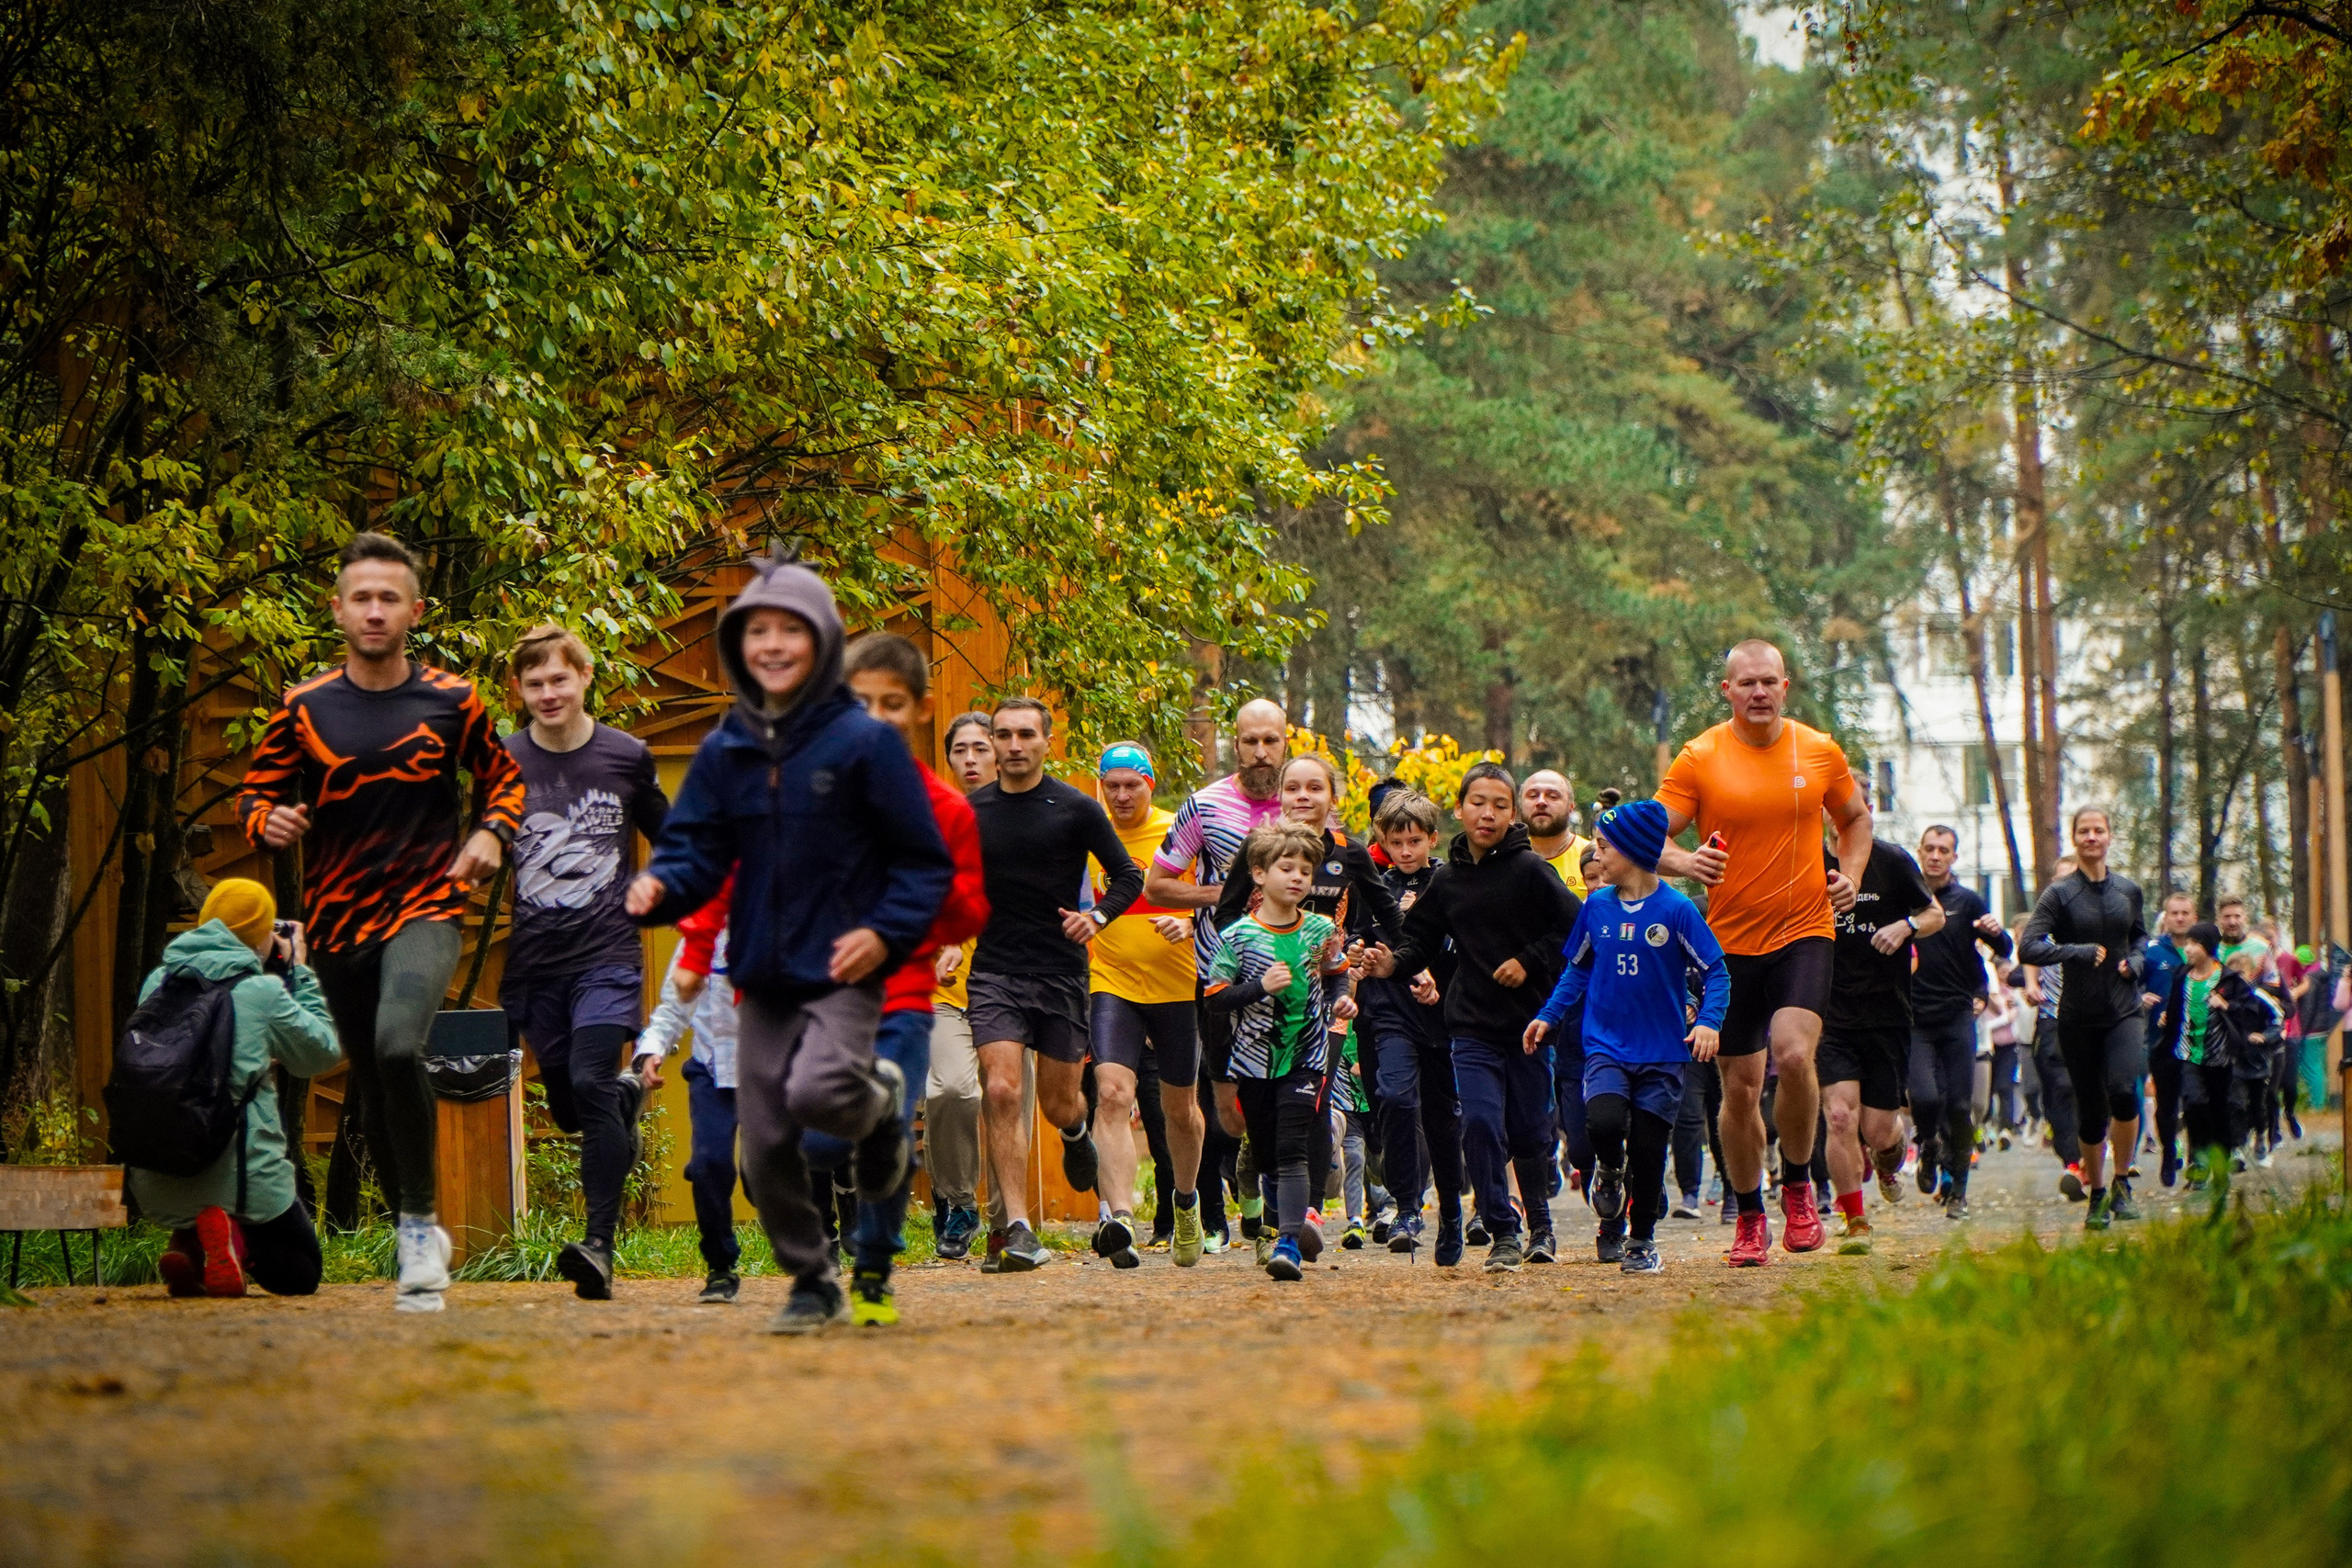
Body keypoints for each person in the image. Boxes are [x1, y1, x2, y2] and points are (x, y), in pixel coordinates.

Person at [627, 555, 955, 1333]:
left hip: (845, 963)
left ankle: (876, 1113)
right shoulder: (725, 749)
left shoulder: (863, 744)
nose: (771, 645)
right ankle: (813, 1278)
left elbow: (923, 860)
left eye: (790, 631)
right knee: (764, 1148)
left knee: (815, 1096)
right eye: (757, 631)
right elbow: (694, 848)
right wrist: (661, 886)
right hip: (763, 971)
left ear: (824, 642)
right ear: (740, 644)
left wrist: (882, 932)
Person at [239, 531, 524, 1312]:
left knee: (402, 1045)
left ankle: (421, 1225)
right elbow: (254, 794)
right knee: (371, 1077)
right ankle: (412, 1225)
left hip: (428, 905)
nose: (373, 610)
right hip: (336, 921)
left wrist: (489, 833)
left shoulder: (455, 700)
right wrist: (267, 821)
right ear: (338, 608)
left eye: (388, 598)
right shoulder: (302, 707)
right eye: (360, 597)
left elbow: (504, 780)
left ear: (414, 611)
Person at [1652, 639, 1868, 1265]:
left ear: (1786, 684)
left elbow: (1854, 819)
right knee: (1739, 1087)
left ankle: (1797, 1183)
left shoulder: (1819, 749)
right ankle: (1750, 1215)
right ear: (1728, 690)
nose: (1759, 692)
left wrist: (1849, 874)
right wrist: (1686, 861)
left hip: (1805, 926)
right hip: (1730, 942)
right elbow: (1648, 838)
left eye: (1769, 681)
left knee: (1796, 1053)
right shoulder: (1700, 757)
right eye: (1746, 682)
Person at [496, 624, 672, 1300]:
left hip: (607, 954)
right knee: (570, 1105)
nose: (548, 692)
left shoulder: (625, 756)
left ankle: (599, 1244)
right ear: (518, 689)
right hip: (536, 962)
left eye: (559, 679)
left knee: (591, 1078)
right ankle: (628, 1094)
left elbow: (674, 836)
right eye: (535, 683)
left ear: (585, 678)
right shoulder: (502, 759)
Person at [823, 632, 990, 1324]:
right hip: (824, 994)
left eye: (891, 703)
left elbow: (970, 903)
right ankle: (833, 1229)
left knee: (893, 1120)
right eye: (860, 703)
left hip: (905, 994)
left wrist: (938, 931)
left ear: (917, 710)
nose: (875, 716)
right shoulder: (815, 794)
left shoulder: (944, 807)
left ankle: (874, 1263)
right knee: (823, 1129)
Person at [1373, 762, 1580, 1271]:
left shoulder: (1532, 870)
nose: (1487, 814)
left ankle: (1541, 1227)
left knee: (1531, 1129)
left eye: (1500, 805)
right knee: (1482, 1124)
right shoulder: (1447, 880)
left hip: (1530, 1024)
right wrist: (1393, 963)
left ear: (1513, 816)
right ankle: (1504, 1231)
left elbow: (1576, 929)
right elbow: (1418, 939)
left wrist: (1528, 960)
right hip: (1469, 1024)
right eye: (1478, 803)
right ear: (1460, 810)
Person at [964, 696, 1145, 1272]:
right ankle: (1018, 1226)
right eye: (1003, 735)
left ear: (1046, 742)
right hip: (995, 970)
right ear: (992, 742)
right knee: (1000, 1091)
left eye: (1025, 735)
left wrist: (1096, 918)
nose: (1014, 745)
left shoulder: (1075, 808)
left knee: (1060, 1102)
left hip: (1061, 973)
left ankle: (1074, 1133)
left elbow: (1129, 876)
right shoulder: (970, 812)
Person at [1207, 752, 1403, 1259]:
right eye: (1293, 788)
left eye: (1314, 788)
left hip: (1324, 1006)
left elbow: (1378, 917)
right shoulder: (1257, 850)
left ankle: (1305, 1219)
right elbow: (1226, 917)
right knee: (1272, 1129)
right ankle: (1274, 1202)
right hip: (1258, 1018)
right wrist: (1248, 975)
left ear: (1331, 798)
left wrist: (1392, 960)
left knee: (1312, 1109)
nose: (1303, 797)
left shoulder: (1350, 854)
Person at [1524, 800, 1727, 1273]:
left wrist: (1708, 1022)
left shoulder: (1676, 910)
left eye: (1602, 847)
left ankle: (1641, 1241)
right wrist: (1547, 1016)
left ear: (1633, 851)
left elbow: (1716, 971)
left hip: (1663, 1051)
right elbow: (1577, 970)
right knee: (1604, 1123)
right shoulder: (1596, 907)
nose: (1596, 856)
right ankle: (1610, 1173)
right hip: (1606, 1045)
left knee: (1652, 1148)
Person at [135, 880, 343, 1299]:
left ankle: (191, 1243)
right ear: (258, 936)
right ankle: (231, 1234)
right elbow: (321, 1053)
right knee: (302, 1272)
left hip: (158, 1172)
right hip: (242, 1176)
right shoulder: (260, 991)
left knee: (201, 1201)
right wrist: (298, 968)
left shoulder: (158, 982)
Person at [1145, 698, 1291, 1247]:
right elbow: (1157, 885)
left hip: (1293, 978)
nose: (1259, 752)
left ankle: (1279, 1217)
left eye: (1269, 741)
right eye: (1249, 741)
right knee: (1231, 1112)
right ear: (1235, 742)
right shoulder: (1204, 806)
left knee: (1285, 1099)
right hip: (1221, 977)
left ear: (1284, 741)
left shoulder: (1303, 804)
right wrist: (1224, 895)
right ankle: (1249, 1189)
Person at [1203, 823, 1352, 1280]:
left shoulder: (1321, 929)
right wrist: (1257, 988)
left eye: (1305, 871)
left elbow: (1336, 973)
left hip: (1306, 1054)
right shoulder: (1238, 936)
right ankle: (1277, 1226)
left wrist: (1342, 998)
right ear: (1259, 875)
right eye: (1286, 868)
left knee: (1291, 1149)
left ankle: (1288, 1243)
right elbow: (1213, 997)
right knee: (1267, 1154)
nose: (1297, 878)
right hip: (1252, 1061)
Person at [1085, 740, 1208, 1267]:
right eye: (1111, 785)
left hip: (1178, 985)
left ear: (1149, 784)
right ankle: (1118, 1220)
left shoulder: (1179, 830)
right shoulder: (1090, 832)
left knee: (1180, 1111)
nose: (1120, 795)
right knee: (1111, 1093)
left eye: (1130, 784)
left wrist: (1189, 924)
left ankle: (1185, 1201)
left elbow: (1224, 894)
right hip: (1111, 979)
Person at [1815, 810, 1940, 1254]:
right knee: (1839, 1117)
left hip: (1887, 1014)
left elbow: (1934, 914)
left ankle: (1889, 1157)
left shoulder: (1891, 861)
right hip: (1830, 1014)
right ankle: (1855, 1222)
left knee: (1878, 1130)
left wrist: (1906, 926)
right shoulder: (1808, 862)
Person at [2019, 807, 2149, 1230]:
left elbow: (2140, 937)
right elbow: (2029, 948)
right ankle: (2096, 1194)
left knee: (2124, 1092)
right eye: (2084, 831)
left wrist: (2136, 962)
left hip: (2123, 1010)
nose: (2092, 837)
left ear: (2110, 836)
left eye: (2099, 830)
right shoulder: (2059, 894)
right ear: (2074, 839)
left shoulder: (2128, 890)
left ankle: (2123, 1183)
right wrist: (2075, 952)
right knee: (2091, 1112)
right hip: (2076, 1016)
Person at [1360, 789, 1462, 1257]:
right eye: (1396, 842)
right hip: (1387, 1012)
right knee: (1396, 1099)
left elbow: (1465, 942)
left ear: (1432, 840)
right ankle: (1407, 1207)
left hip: (1444, 1016)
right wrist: (1357, 956)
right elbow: (1355, 943)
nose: (1405, 851)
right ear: (1383, 839)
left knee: (1446, 1116)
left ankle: (1459, 1208)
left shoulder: (1449, 882)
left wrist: (1438, 979)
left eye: (1414, 841)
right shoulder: (1372, 887)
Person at [635, 893, 744, 1303]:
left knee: (765, 1176)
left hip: (767, 1071)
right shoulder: (700, 938)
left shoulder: (783, 928)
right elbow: (672, 1008)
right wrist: (653, 1048)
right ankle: (720, 1267)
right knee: (709, 1165)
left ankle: (810, 1251)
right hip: (712, 1069)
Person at [924, 711, 999, 1258]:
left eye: (981, 748)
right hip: (946, 988)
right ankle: (956, 1201)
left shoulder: (1028, 817)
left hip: (1012, 983)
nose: (970, 760)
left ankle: (1006, 1223)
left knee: (1006, 1105)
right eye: (960, 751)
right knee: (951, 1091)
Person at [1906, 822, 2008, 1221]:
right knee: (1926, 1098)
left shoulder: (1966, 901)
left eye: (1943, 850)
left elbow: (2002, 948)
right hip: (1914, 1018)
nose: (1935, 856)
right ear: (1920, 851)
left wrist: (1997, 934)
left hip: (1956, 1016)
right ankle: (1928, 1146)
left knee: (1960, 1104)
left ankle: (1959, 1191)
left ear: (1953, 857)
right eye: (1929, 848)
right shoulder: (1905, 900)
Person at [2156, 920, 2274, 1183]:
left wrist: (2226, 1005)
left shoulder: (2228, 979)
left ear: (2208, 948)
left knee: (2220, 1109)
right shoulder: (2182, 976)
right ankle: (2198, 1161)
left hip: (2220, 1057)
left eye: (2194, 944)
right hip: (2188, 1054)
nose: (2188, 949)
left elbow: (2249, 1010)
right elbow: (2176, 1007)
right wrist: (2167, 1021)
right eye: (2187, 943)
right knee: (2195, 1104)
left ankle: (2219, 1161)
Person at [2141, 891, 2196, 1186]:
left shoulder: (2204, 951)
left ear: (2194, 916)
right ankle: (2167, 1151)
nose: (2180, 918)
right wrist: (2141, 998)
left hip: (2197, 1041)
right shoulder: (2152, 953)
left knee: (2197, 1101)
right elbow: (2131, 988)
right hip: (2161, 1041)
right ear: (2166, 918)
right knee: (2166, 1105)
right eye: (2174, 913)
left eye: (2185, 913)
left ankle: (2196, 1161)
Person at [1521, 769, 1592, 897]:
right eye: (1532, 796)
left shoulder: (1594, 857)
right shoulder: (1506, 859)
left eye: (1552, 796)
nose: (1541, 802)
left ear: (1571, 808)